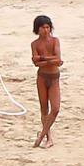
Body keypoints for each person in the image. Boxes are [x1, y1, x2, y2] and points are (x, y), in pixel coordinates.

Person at [31, 15, 62, 149]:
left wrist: (42, 59)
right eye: (43, 27)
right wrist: (49, 59)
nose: (46, 30)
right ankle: (48, 137)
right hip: (42, 77)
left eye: (48, 27)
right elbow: (35, 62)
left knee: (55, 109)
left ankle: (42, 135)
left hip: (54, 77)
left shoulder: (55, 41)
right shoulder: (35, 44)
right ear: (37, 29)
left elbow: (58, 59)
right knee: (44, 108)